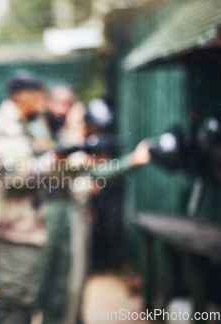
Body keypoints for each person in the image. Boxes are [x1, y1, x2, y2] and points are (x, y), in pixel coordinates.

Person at [38, 93, 151, 324]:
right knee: (64, 284)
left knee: (73, 284)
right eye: (78, 120)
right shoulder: (59, 143)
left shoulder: (72, 144)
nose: (85, 127)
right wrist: (132, 160)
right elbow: (86, 173)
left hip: (71, 215)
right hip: (58, 218)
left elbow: (91, 173)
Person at [0, 71, 54, 324]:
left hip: (27, 227)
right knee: (16, 301)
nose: (43, 102)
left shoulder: (24, 125)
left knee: (27, 299)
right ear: (24, 96)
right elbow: (17, 175)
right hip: (12, 229)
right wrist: (56, 160)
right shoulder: (2, 127)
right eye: (40, 96)